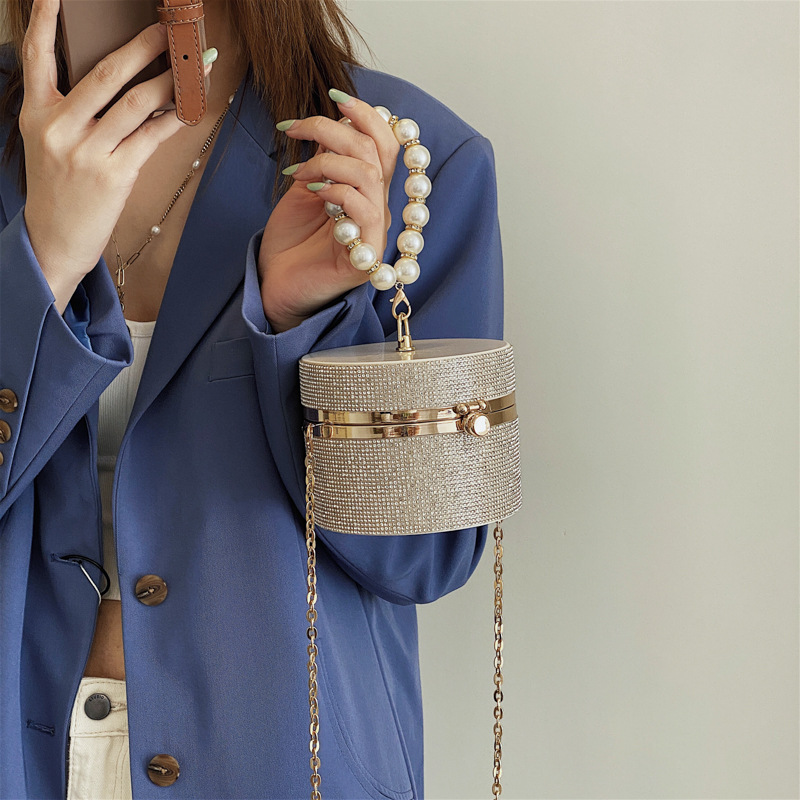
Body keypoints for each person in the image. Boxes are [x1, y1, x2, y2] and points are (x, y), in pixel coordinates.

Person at [0, 0, 504, 796]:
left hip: (280, 760)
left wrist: (299, 326)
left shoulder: (402, 159)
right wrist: (43, 263)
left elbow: (427, 554)